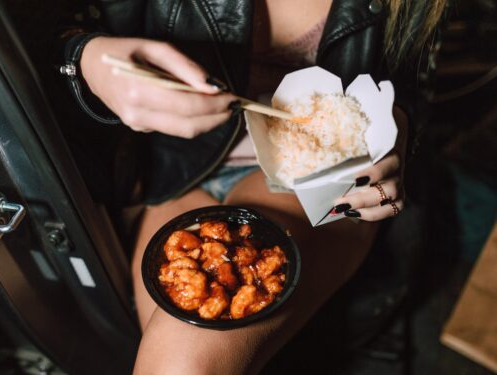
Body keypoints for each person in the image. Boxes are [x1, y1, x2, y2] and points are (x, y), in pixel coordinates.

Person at [57, 0, 448, 373]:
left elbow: (414, 80)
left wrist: (396, 126)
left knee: (186, 362)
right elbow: (51, 29)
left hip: (313, 176)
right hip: (173, 167)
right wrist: (84, 58)